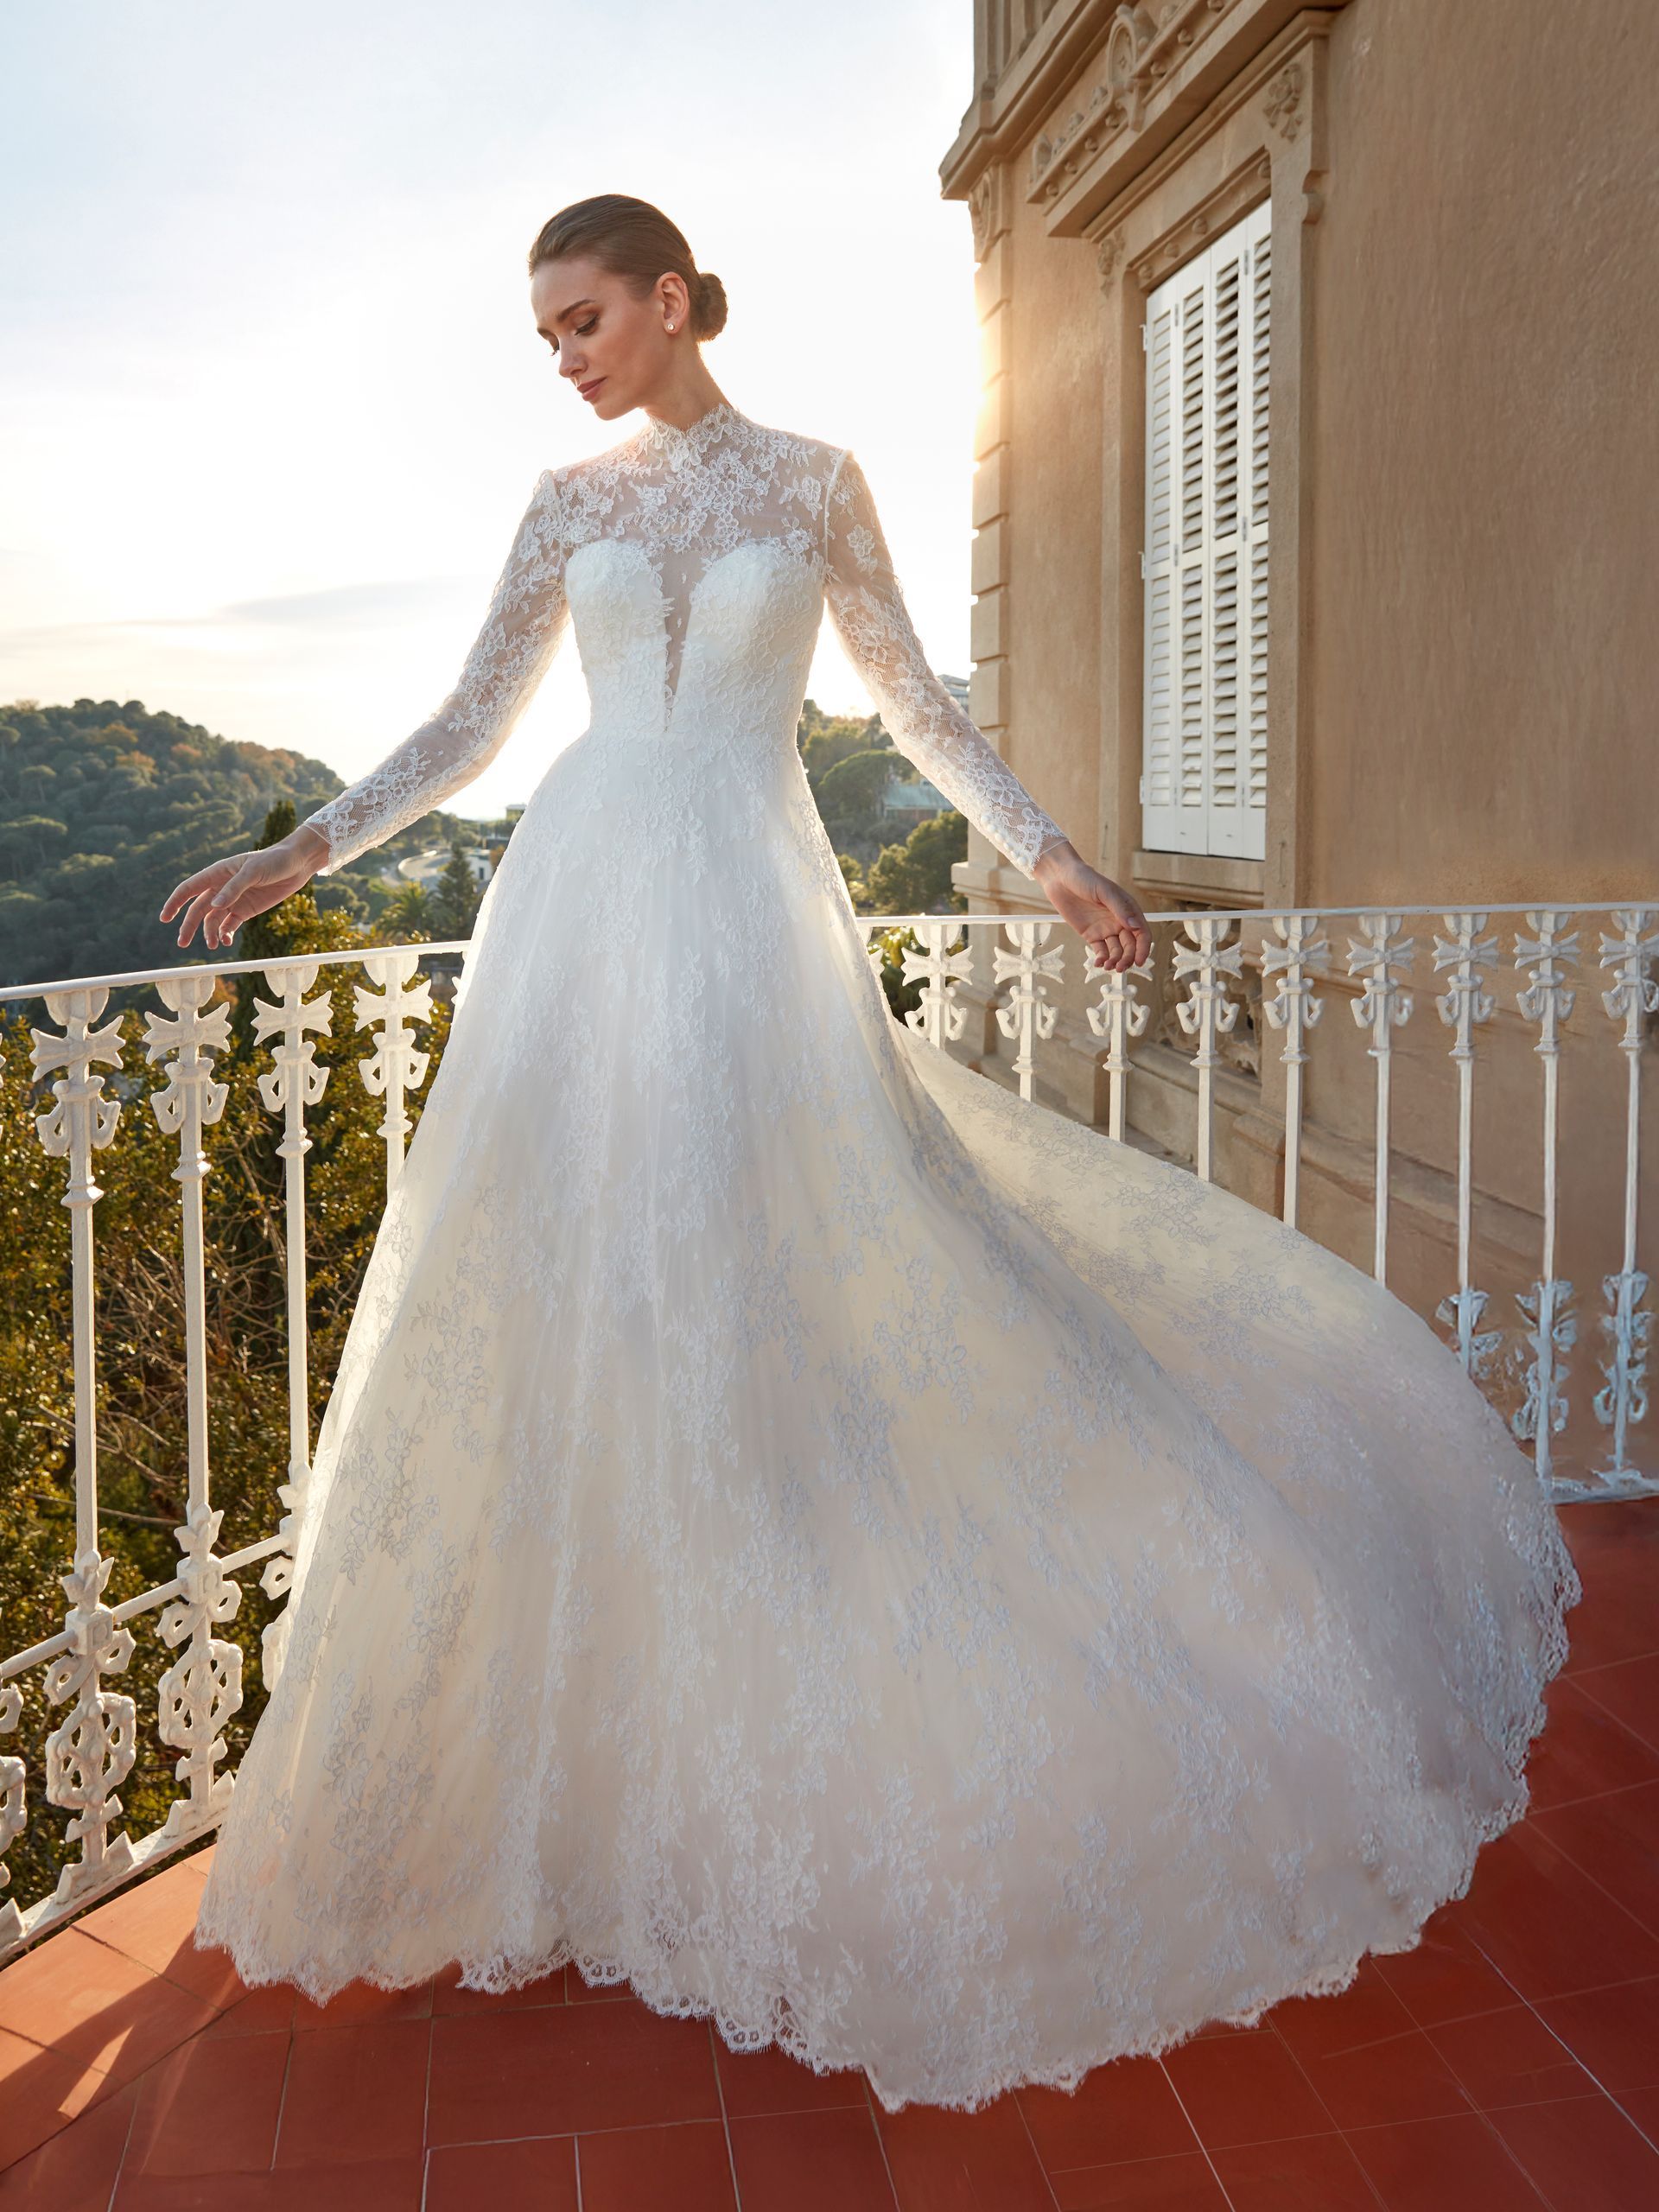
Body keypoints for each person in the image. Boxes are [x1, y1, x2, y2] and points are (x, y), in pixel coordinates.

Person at [166, 194, 1579, 2116]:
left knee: (762, 1289)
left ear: (669, 301)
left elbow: (913, 701)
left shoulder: (819, 482)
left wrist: (1058, 853)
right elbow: (470, 725)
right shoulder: (563, 503)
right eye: (549, 333)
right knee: (578, 1303)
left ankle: (757, 1691)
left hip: (749, 928)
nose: (567, 354)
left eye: (586, 317)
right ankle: (582, 1756)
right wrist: (307, 847)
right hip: (577, 928)